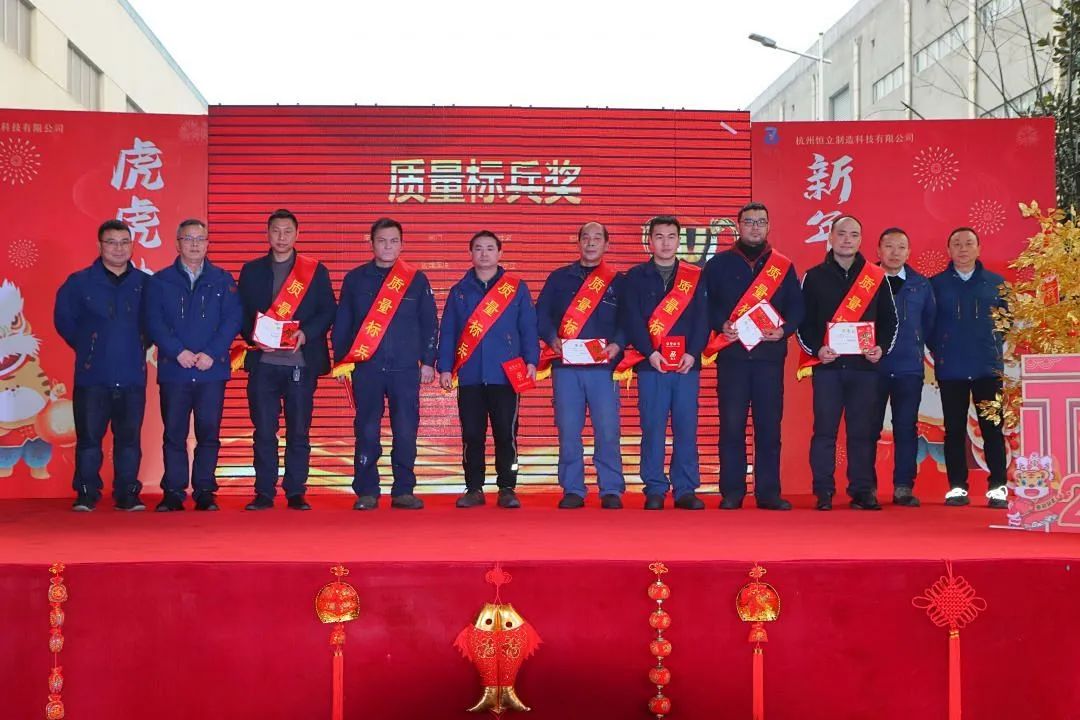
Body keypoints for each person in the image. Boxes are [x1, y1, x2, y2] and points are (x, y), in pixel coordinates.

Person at [704, 202, 804, 511]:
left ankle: (768, 492)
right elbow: (705, 306)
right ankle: (732, 492)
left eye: (761, 221)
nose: (755, 227)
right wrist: (721, 324)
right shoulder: (718, 264)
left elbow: (797, 308)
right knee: (731, 427)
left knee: (769, 427)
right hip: (732, 358)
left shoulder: (782, 266)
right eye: (749, 221)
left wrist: (784, 330)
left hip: (768, 359)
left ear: (769, 226)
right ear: (739, 225)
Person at [332, 218, 437, 510]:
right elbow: (343, 324)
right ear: (371, 243)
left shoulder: (416, 279)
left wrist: (429, 362)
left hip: (405, 368)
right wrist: (341, 362)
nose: (387, 246)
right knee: (366, 429)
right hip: (367, 367)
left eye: (393, 241)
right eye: (381, 241)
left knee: (405, 430)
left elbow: (429, 323)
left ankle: (403, 490)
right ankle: (367, 490)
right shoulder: (355, 279)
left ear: (402, 244)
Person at [237, 209, 336, 511]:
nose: (281, 237)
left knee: (299, 432)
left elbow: (328, 310)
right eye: (276, 231)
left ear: (297, 234)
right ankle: (264, 492)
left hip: (300, 364)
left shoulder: (314, 271)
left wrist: (307, 333)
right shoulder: (251, 270)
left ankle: (295, 491)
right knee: (264, 431)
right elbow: (240, 313)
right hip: (263, 365)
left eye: (287, 231)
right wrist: (253, 337)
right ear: (267, 234)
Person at [797, 215, 898, 510]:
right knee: (824, 432)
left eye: (854, 235)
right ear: (830, 237)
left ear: (861, 240)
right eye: (841, 234)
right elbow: (803, 323)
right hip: (828, 369)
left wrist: (880, 348)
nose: (847, 240)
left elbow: (890, 322)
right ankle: (824, 491)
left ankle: (862, 491)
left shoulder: (875, 277)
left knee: (862, 432)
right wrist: (818, 349)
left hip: (864, 370)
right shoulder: (813, 277)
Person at [145, 219, 242, 512]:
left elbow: (233, 320)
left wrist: (212, 352)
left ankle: (204, 491)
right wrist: (178, 352)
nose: (195, 244)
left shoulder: (223, 280)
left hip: (211, 370)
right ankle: (173, 491)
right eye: (188, 239)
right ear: (178, 244)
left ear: (208, 244)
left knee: (208, 434)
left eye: (200, 239)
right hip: (175, 369)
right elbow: (154, 322)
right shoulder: (160, 281)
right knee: (174, 433)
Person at [438, 230, 539, 509]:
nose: (484, 253)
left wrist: (532, 360)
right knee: (472, 435)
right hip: (470, 375)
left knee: (506, 434)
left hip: (506, 374)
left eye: (490, 248)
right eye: (478, 248)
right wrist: (445, 367)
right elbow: (448, 332)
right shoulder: (459, 291)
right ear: (470, 253)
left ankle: (507, 487)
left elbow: (528, 327)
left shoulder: (516, 288)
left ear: (500, 253)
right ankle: (474, 488)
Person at [53, 219, 148, 511]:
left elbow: (156, 323)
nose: (118, 248)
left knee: (129, 441)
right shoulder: (79, 282)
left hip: (132, 376)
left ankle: (127, 494)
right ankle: (86, 492)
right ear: (99, 246)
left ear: (132, 246)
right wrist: (89, 346)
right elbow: (64, 320)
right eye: (111, 242)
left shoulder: (146, 284)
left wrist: (138, 344)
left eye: (124, 242)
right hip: (92, 376)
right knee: (89, 440)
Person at [536, 221, 626, 509]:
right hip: (566, 368)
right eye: (585, 237)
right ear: (578, 243)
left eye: (597, 238)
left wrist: (618, 344)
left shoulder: (618, 282)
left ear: (607, 244)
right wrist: (552, 338)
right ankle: (573, 488)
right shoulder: (558, 278)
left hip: (604, 369)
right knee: (568, 429)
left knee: (608, 430)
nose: (591, 243)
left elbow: (629, 320)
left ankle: (610, 488)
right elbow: (541, 315)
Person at [621, 215, 708, 511]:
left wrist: (693, 353)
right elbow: (632, 319)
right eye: (659, 237)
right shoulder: (635, 276)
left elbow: (703, 318)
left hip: (686, 366)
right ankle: (655, 488)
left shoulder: (695, 276)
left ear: (679, 240)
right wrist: (649, 352)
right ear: (650, 241)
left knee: (686, 427)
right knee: (653, 427)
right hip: (651, 365)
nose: (665, 243)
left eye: (671, 237)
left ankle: (685, 488)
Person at [928, 227, 1008, 508]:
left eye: (969, 243)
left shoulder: (996, 283)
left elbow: (1007, 321)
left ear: (979, 248)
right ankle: (957, 487)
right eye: (957, 244)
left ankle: (998, 487)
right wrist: (942, 347)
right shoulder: (935, 285)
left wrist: (990, 345)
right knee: (954, 429)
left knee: (992, 428)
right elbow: (928, 325)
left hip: (988, 368)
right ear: (948, 250)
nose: (963, 249)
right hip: (951, 368)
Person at [873, 228, 935, 507]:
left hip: (909, 367)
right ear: (878, 250)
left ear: (909, 252)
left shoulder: (921, 285)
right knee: (868, 428)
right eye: (889, 246)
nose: (894, 252)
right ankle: (865, 487)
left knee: (906, 428)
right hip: (872, 368)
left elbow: (930, 323)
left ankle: (903, 487)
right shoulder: (865, 281)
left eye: (901, 247)